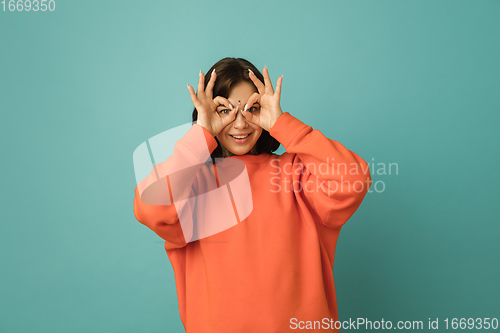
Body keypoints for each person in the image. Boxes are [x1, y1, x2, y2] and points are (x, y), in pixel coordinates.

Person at [133, 57, 372, 332]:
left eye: (251, 109)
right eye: (224, 111)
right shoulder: (191, 185)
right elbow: (149, 208)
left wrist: (282, 123)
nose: (240, 123)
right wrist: (200, 135)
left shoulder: (296, 172)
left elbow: (353, 179)